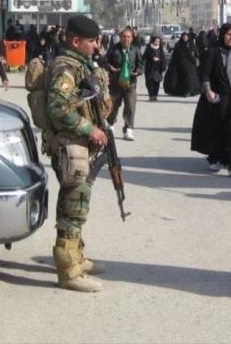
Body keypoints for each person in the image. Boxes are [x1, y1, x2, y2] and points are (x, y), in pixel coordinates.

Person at [45, 15, 112, 293]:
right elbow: (58, 108)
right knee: (73, 208)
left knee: (79, 203)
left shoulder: (81, 65)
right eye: (92, 41)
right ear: (75, 41)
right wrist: (89, 129)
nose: (97, 46)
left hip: (81, 146)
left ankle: (77, 257)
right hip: (71, 144)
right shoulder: (65, 68)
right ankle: (68, 270)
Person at [191, 23, 231, 177]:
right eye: (228, 34)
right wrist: (208, 90)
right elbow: (205, 73)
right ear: (222, 34)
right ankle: (214, 157)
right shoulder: (213, 52)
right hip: (216, 99)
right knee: (216, 130)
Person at [105, 28, 143, 140]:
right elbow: (105, 61)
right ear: (120, 37)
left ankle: (128, 130)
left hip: (130, 83)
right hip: (116, 82)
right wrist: (110, 68)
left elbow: (141, 65)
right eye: (124, 36)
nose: (126, 39)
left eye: (128, 37)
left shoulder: (135, 49)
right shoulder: (114, 49)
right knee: (113, 106)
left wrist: (138, 71)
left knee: (130, 106)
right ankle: (110, 125)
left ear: (132, 38)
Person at [163, 32, 200, 97]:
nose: (185, 38)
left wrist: (196, 60)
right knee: (181, 78)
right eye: (184, 36)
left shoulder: (191, 44)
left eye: (186, 36)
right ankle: (183, 91)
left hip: (190, 65)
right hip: (180, 64)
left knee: (190, 78)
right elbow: (175, 55)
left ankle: (189, 91)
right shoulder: (178, 45)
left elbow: (195, 53)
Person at [143, 35, 167, 101]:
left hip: (158, 69)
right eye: (156, 41)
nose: (157, 42)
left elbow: (163, 58)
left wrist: (162, 63)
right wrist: (151, 58)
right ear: (153, 41)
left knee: (157, 83)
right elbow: (144, 57)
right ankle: (151, 95)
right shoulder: (149, 48)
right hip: (149, 68)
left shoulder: (160, 49)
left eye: (158, 41)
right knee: (150, 82)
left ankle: (155, 96)